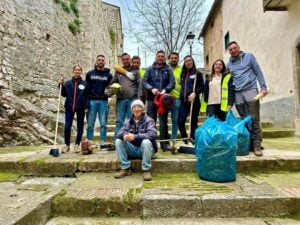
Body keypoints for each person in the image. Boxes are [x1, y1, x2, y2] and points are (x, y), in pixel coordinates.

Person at [227, 41, 268, 156]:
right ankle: (250, 142)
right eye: (230, 49)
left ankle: (257, 144)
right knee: (244, 119)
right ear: (229, 52)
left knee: (254, 118)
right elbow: (227, 81)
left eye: (235, 48)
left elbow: (258, 71)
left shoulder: (249, 57)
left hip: (251, 90)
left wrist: (263, 87)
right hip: (237, 93)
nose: (233, 50)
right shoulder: (229, 64)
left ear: (239, 48)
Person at [114, 99, 157, 181]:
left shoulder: (149, 120)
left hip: (146, 150)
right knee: (118, 141)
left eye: (139, 107)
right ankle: (125, 168)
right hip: (132, 149)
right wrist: (125, 135)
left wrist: (135, 136)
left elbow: (153, 134)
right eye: (134, 107)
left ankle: (146, 170)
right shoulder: (128, 122)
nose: (137, 109)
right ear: (132, 109)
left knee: (146, 141)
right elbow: (118, 134)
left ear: (143, 109)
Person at [143, 50, 175, 151]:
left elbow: (172, 83)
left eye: (162, 56)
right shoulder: (149, 69)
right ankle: (151, 143)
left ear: (164, 58)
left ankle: (165, 144)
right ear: (155, 57)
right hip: (152, 99)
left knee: (163, 122)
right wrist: (151, 89)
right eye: (159, 56)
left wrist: (166, 90)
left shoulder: (168, 69)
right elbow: (144, 82)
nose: (160, 58)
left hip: (164, 100)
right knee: (151, 122)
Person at [110, 53, 143, 137]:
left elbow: (140, 85)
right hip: (121, 99)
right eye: (124, 59)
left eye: (127, 59)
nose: (125, 61)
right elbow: (112, 83)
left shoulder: (135, 72)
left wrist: (139, 98)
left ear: (130, 60)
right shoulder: (118, 72)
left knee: (132, 120)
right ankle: (117, 139)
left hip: (132, 100)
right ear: (122, 60)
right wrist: (111, 90)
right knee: (119, 121)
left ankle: (132, 140)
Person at [60, 64, 89, 153]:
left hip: (80, 107)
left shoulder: (85, 84)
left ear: (81, 72)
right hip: (69, 107)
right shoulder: (68, 83)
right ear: (73, 71)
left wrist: (87, 106)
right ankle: (67, 145)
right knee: (67, 126)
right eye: (75, 70)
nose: (77, 71)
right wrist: (60, 85)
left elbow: (87, 96)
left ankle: (77, 144)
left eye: (79, 70)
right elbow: (63, 93)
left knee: (80, 126)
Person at [85, 55, 112, 149]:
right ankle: (89, 142)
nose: (101, 61)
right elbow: (86, 89)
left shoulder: (109, 75)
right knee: (90, 123)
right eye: (99, 60)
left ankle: (103, 142)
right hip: (92, 101)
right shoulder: (90, 74)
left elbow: (111, 89)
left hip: (103, 102)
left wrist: (110, 93)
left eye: (102, 60)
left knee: (103, 123)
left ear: (105, 62)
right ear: (96, 62)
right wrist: (86, 102)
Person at [177, 55, 204, 142]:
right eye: (186, 61)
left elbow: (202, 86)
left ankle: (193, 139)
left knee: (193, 123)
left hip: (194, 102)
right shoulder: (183, 74)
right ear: (184, 63)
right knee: (180, 121)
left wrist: (195, 93)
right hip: (184, 102)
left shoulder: (197, 73)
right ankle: (185, 138)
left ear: (192, 62)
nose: (188, 62)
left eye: (190, 61)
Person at [168, 52, 182, 140]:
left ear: (178, 59)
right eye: (172, 58)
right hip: (165, 98)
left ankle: (173, 140)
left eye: (175, 58)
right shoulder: (166, 69)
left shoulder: (182, 70)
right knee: (163, 121)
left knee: (175, 120)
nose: (173, 59)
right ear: (169, 59)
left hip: (177, 98)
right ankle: (165, 142)